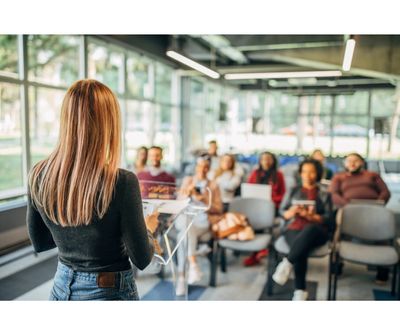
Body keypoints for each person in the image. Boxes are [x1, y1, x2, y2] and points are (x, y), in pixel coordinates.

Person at [26, 79, 159, 301]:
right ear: (109, 124)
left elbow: (41, 242)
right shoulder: (122, 181)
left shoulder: (38, 174)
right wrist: (148, 228)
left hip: (61, 286)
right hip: (108, 291)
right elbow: (143, 258)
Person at [272, 158, 332, 300]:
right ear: (300, 173)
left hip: (317, 231)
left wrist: (312, 217)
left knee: (309, 230)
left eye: (311, 172)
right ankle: (300, 291)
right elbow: (282, 211)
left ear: (317, 174)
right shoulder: (293, 190)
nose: (307, 175)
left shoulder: (324, 193)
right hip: (294, 227)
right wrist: (290, 213)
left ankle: (287, 263)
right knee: (300, 247)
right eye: (304, 171)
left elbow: (328, 218)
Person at [329, 152, 391, 283]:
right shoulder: (339, 177)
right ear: (344, 163)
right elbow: (334, 194)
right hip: (349, 209)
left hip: (374, 208)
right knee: (339, 234)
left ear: (362, 162)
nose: (352, 163)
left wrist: (378, 205)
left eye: (355, 160)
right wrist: (350, 208)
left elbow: (385, 192)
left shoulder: (372, 175)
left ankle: (383, 271)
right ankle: (337, 265)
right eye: (349, 160)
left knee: (383, 235)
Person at [175, 156, 223, 295]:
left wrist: (204, 199)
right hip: (185, 216)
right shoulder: (188, 180)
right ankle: (193, 263)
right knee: (185, 225)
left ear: (209, 168)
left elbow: (219, 209)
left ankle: (182, 278)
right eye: (200, 166)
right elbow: (178, 202)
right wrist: (187, 193)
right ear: (196, 167)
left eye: (206, 166)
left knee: (182, 236)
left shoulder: (213, 185)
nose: (202, 169)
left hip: (201, 220)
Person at [243, 151, 286, 266]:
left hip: (272, 207)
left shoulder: (279, 175)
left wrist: (271, 199)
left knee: (263, 219)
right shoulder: (255, 173)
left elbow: (283, 195)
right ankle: (256, 251)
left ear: (273, 161)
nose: (266, 161)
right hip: (256, 206)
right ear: (260, 161)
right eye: (263, 159)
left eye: (268, 159)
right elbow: (249, 190)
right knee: (252, 219)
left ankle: (261, 250)